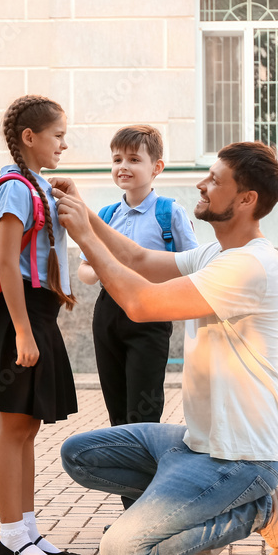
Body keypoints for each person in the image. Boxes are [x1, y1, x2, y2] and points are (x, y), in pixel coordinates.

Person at [51, 141, 278, 555]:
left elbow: (143, 304)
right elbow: (138, 257)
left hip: (242, 457)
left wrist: (85, 236)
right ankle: (200, 516)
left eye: (215, 181)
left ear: (246, 199)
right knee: (81, 454)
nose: (201, 186)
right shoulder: (215, 255)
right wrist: (83, 210)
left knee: (123, 552)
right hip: (196, 443)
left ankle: (264, 510)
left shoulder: (249, 266)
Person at [0, 95, 83, 555]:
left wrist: (65, 191)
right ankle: (11, 538)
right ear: (30, 138)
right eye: (58, 135)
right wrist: (21, 330)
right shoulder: (15, 189)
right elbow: (6, 262)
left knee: (28, 427)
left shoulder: (37, 185)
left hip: (40, 312)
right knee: (13, 427)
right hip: (20, 315)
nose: (64, 143)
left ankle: (30, 531)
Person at [79, 125, 197, 429]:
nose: (123, 167)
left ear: (156, 167)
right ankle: (122, 471)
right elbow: (85, 271)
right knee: (115, 401)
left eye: (133, 159)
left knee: (144, 402)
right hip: (108, 311)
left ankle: (145, 467)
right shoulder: (104, 215)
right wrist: (101, 267)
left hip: (152, 312)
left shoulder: (169, 212)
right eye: (117, 160)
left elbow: (192, 264)